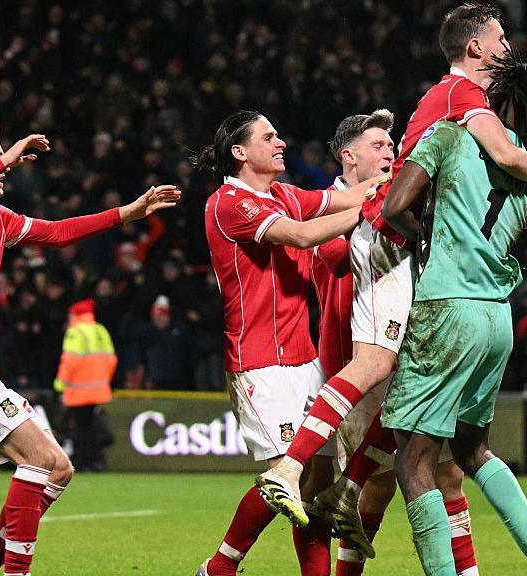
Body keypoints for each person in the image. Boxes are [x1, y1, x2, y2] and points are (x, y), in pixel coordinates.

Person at [257, 1, 527, 522]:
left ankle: (346, 489)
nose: (508, 48)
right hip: (384, 232)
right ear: (475, 47)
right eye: (501, 38)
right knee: (377, 363)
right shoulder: (462, 93)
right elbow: (509, 158)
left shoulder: (459, 105)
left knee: (401, 389)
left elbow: (481, 185)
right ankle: (289, 469)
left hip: (408, 244)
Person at [0, 119, 178, 576]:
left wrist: (125, 214)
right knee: (43, 460)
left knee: (58, 470)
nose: (6, 168)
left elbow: (55, 233)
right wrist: (7, 156)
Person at [381, 49, 527, 576]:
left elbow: (395, 206)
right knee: (472, 448)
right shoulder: (526, 164)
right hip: (496, 317)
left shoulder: (446, 136)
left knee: (413, 459)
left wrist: (426, 242)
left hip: (448, 307)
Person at [194, 110, 383, 576]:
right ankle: (220, 567)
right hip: (259, 362)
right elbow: (300, 235)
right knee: (287, 480)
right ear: (240, 153)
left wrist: (397, 176)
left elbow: (344, 197)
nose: (281, 143)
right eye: (269, 137)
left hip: (305, 360)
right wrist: (367, 208)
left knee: (316, 485)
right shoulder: (229, 203)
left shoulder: (282, 194)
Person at [309, 111, 480, 576]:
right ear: (349, 156)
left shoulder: (399, 201)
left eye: (392, 145)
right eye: (379, 146)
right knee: (374, 487)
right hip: (357, 365)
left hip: (412, 354)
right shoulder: (326, 204)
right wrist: (368, 210)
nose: (390, 153)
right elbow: (332, 257)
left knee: (448, 473)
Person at [54, 298, 117, 472]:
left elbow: (70, 360)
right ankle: (96, 462)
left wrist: (60, 384)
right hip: (99, 388)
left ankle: (84, 462)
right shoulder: (100, 330)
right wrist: (103, 380)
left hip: (79, 389)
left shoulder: (76, 332)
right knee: (90, 426)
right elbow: (111, 359)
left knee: (82, 428)